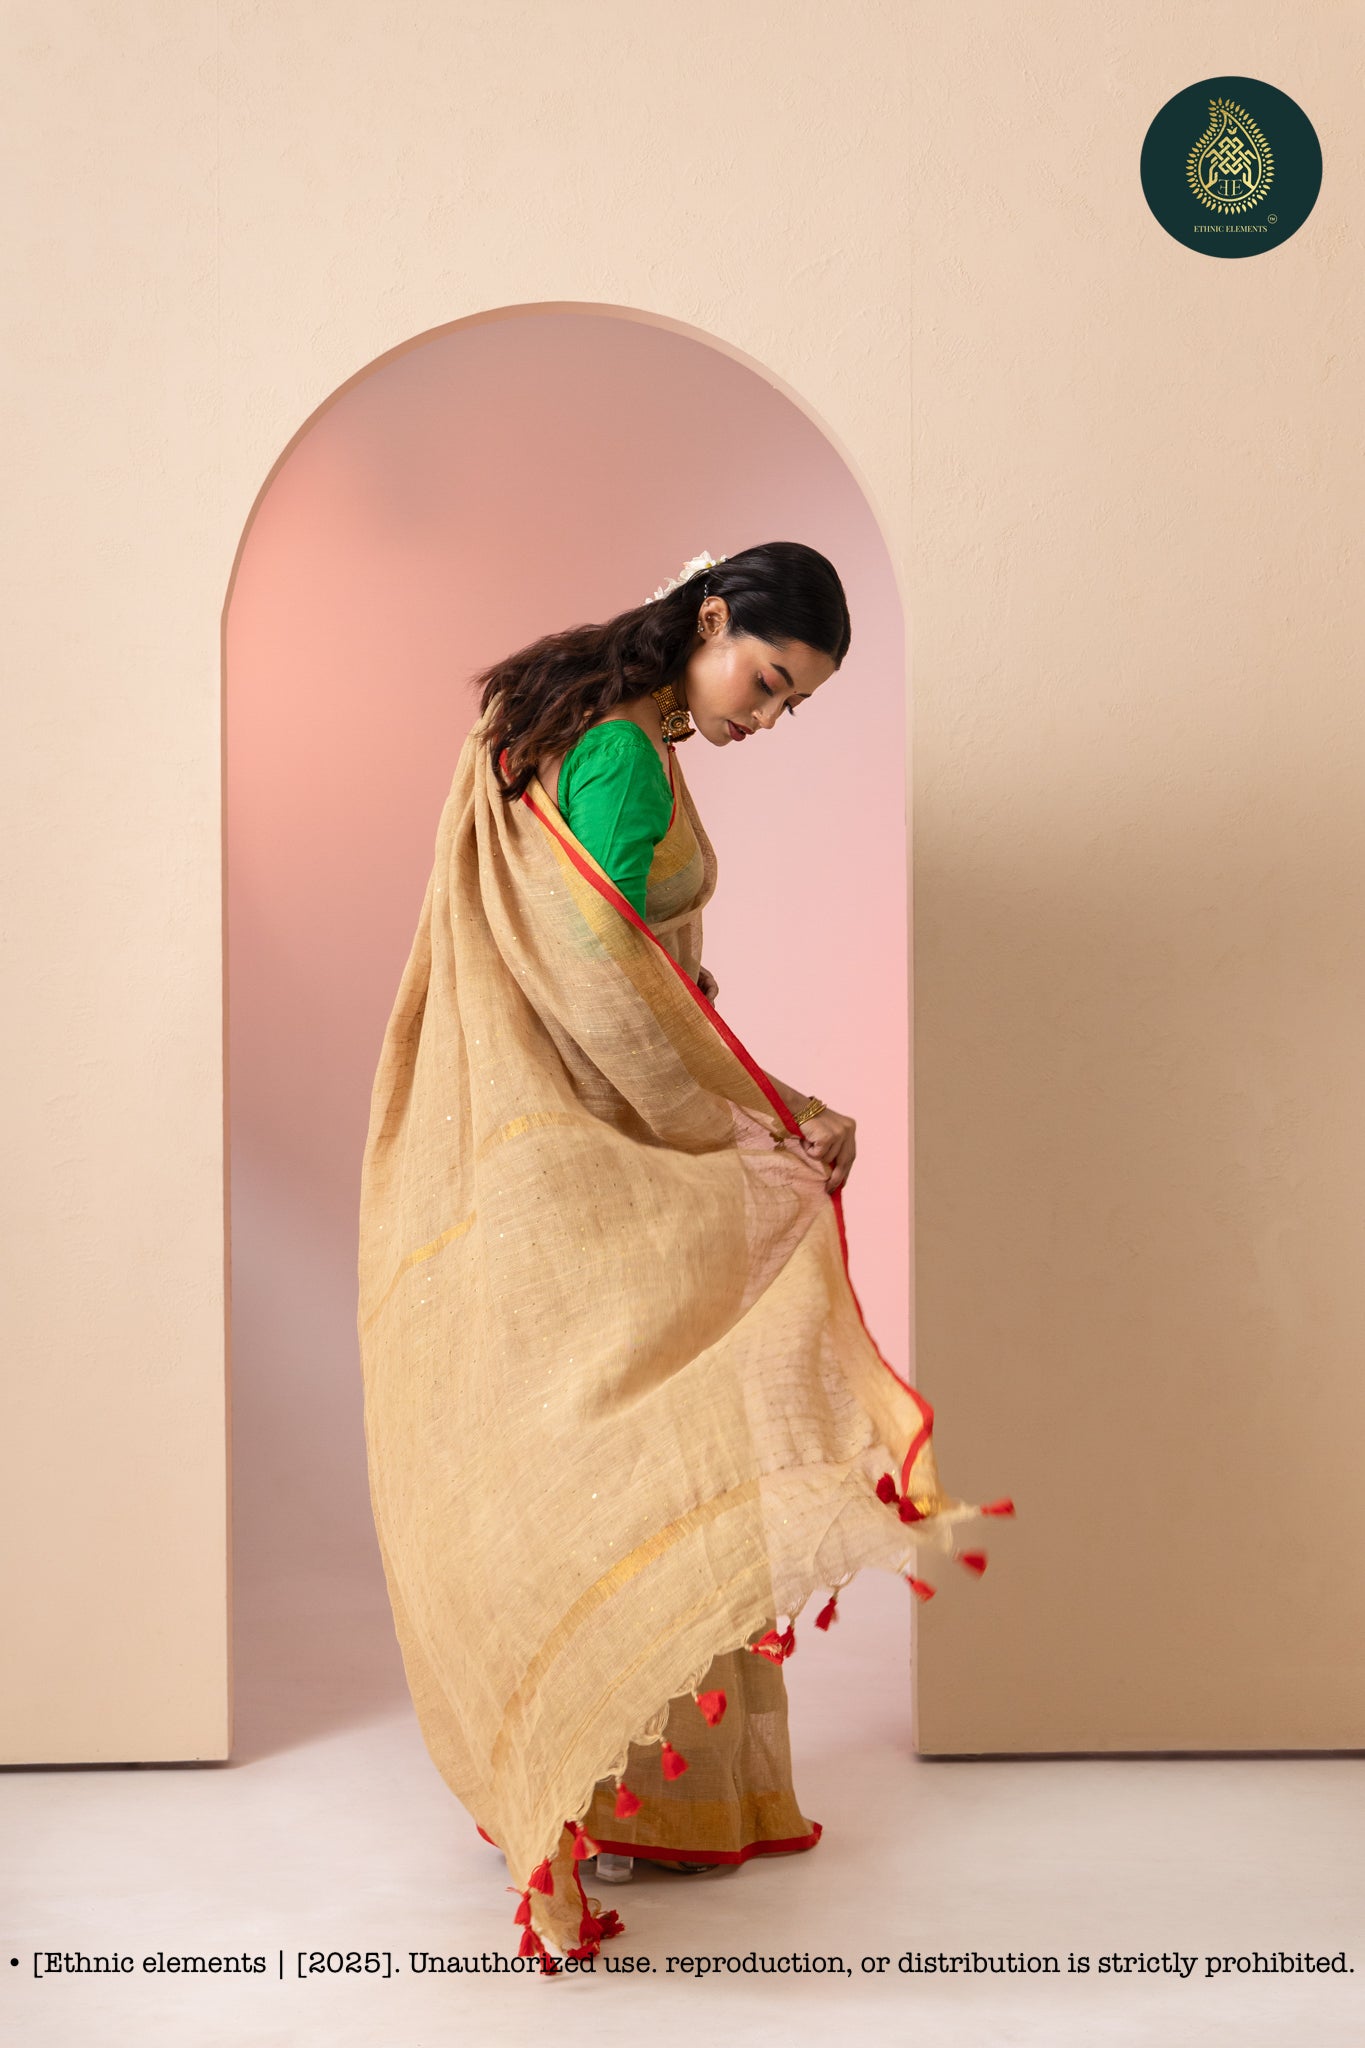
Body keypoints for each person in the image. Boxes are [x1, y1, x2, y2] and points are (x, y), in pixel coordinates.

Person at [356, 541, 1005, 1971]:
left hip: (558, 1133)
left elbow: (622, 971)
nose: (767, 717)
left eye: (793, 705)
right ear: (709, 619)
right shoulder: (621, 754)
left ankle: (607, 1787)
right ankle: (603, 1786)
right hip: (599, 1140)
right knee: (661, 1441)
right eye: (765, 681)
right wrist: (754, 1121)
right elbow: (600, 978)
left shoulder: (589, 724)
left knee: (609, 1449)